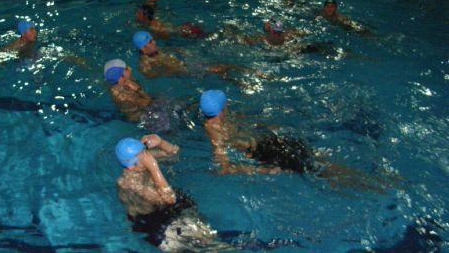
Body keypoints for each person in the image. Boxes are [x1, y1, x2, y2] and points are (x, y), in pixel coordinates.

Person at [116, 135, 283, 251]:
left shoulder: (140, 164)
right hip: (159, 225)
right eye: (144, 156)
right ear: (132, 165)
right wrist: (154, 167)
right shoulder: (130, 183)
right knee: (211, 249)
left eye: (146, 153)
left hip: (171, 211)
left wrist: (161, 142)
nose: (148, 157)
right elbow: (169, 199)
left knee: (210, 241)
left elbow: (174, 153)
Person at [199, 90, 389, 191]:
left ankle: (375, 184)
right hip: (273, 153)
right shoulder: (216, 132)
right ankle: (375, 186)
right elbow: (223, 168)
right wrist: (262, 170)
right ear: (223, 108)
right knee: (321, 170)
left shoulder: (219, 121)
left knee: (321, 165)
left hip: (274, 145)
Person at [133, 31, 272, 82]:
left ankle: (241, 81)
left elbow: (169, 50)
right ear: (143, 48)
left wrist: (182, 51)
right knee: (223, 67)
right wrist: (171, 71)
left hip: (186, 66)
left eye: (153, 39)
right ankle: (255, 76)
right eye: (150, 42)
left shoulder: (155, 51)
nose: (155, 42)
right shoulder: (145, 63)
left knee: (220, 70)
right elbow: (150, 77)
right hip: (186, 72)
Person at [136, 4, 206, 40]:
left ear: (145, 17)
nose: (136, 14)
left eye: (139, 13)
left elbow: (166, 38)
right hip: (185, 28)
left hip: (187, 33)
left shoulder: (155, 28)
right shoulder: (153, 20)